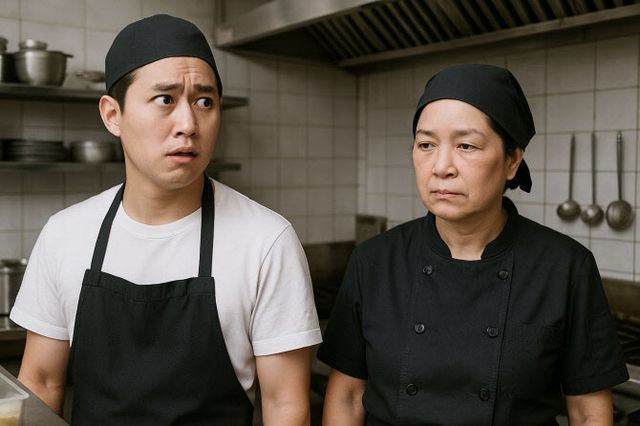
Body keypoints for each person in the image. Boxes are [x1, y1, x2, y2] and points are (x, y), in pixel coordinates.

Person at [10, 14, 321, 425]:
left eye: (204, 102)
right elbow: (41, 382)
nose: (188, 125)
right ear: (112, 115)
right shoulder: (65, 234)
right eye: (165, 100)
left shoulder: (267, 240)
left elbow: (285, 406)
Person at [317, 64, 629, 425]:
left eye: (466, 145)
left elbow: (589, 414)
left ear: (512, 161)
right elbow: (347, 398)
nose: (441, 167)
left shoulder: (565, 267)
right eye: (426, 144)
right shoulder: (374, 262)